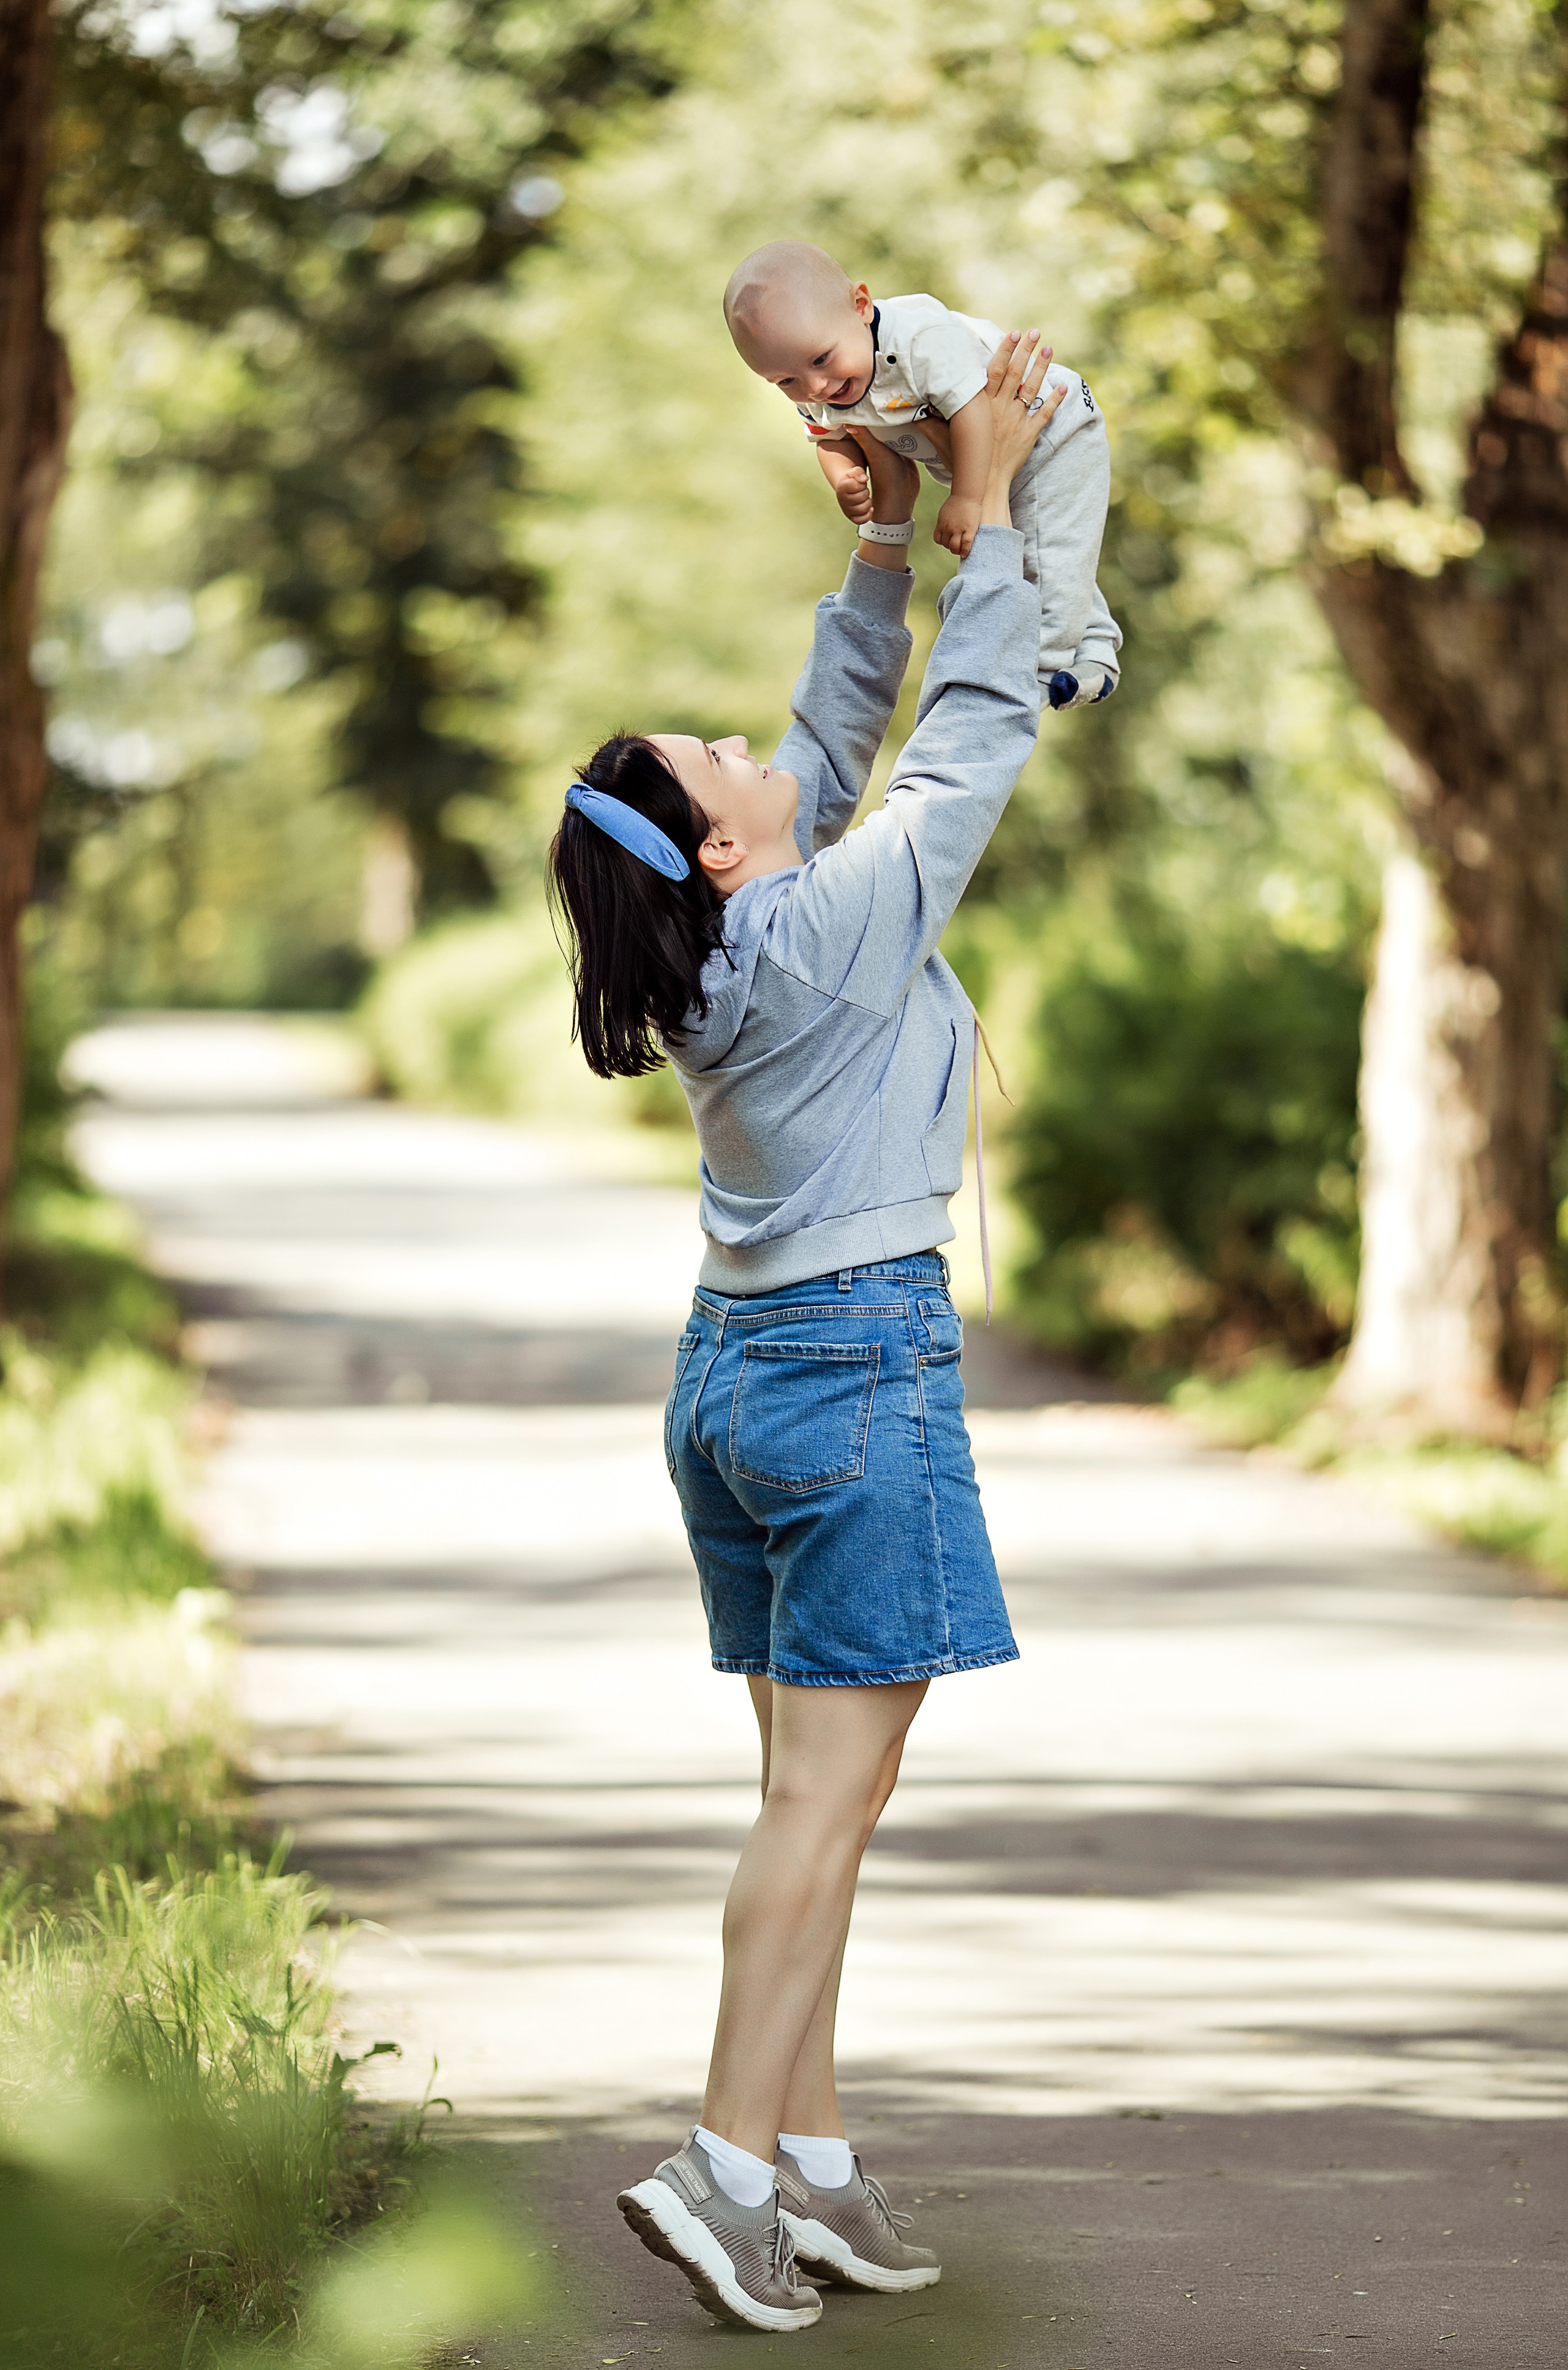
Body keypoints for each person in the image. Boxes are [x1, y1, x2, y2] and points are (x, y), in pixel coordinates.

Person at [548, 330, 1063, 2334]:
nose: (749, 738)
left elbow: (827, 754)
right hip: (853, 1371)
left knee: (808, 1804)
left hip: (739, 1378)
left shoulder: (735, 936)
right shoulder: (827, 919)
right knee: (821, 1810)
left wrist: (877, 554)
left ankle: (814, 2166)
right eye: (716, 750)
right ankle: (724, 2164)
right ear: (722, 844)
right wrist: (989, 512)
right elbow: (965, 743)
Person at [723, 238, 1121, 711]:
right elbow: (830, 438)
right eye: (786, 381)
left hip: (1051, 431)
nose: (815, 386)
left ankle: (1038, 674)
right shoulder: (818, 388)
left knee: (1049, 558)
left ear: (861, 306)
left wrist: (968, 499)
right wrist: (845, 478)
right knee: (1054, 553)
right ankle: (1096, 654)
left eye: (822, 359)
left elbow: (975, 411)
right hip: (991, 459)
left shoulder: (919, 340)